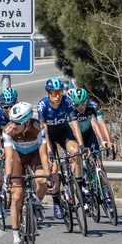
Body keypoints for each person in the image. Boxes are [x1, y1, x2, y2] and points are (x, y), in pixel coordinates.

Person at [2, 102, 52, 244]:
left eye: (17, 123)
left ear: (27, 121)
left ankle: (36, 203)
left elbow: (43, 155)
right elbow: (9, 157)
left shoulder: (38, 128)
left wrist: (48, 174)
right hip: (17, 157)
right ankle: (16, 240)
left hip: (34, 155)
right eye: (11, 121)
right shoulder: (8, 131)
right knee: (16, 197)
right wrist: (7, 177)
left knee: (42, 180)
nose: (13, 125)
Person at [37, 78, 87, 219]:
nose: (57, 96)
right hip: (48, 137)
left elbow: (75, 124)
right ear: (48, 94)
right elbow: (43, 130)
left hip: (64, 132)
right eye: (54, 93)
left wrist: (81, 144)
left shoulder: (67, 102)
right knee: (52, 169)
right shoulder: (42, 105)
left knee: (75, 151)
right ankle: (57, 202)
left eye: (59, 92)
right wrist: (50, 151)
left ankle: (79, 185)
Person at [67, 88, 117, 166]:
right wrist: (81, 146)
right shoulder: (70, 109)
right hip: (74, 136)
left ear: (87, 101)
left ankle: (101, 176)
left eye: (83, 104)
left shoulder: (92, 106)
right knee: (76, 163)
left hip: (88, 134)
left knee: (99, 164)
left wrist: (108, 141)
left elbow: (101, 124)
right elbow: (75, 127)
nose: (80, 107)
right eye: (77, 104)